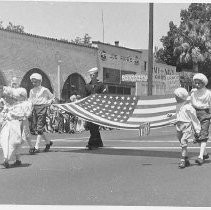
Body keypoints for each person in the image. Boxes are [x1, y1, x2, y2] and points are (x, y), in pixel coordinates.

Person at [0, 86, 33, 168]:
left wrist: (11, 114)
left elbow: (21, 116)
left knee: (13, 143)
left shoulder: (19, 106)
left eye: (6, 97)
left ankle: (8, 159)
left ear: (12, 97)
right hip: (6, 127)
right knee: (5, 142)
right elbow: (2, 115)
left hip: (15, 127)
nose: (5, 99)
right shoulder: (7, 106)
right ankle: (7, 158)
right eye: (4, 97)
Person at [170, 87, 201, 169]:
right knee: (182, 143)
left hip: (186, 126)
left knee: (183, 142)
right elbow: (179, 115)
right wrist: (173, 116)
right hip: (179, 126)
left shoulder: (188, 107)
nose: (175, 98)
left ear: (181, 97)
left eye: (176, 96)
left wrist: (197, 130)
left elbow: (194, 119)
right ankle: (186, 159)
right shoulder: (178, 106)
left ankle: (182, 160)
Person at [29, 73, 55, 153]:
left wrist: (48, 102)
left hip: (42, 108)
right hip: (35, 108)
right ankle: (48, 142)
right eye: (32, 82)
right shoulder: (31, 90)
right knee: (37, 128)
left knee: (39, 127)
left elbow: (52, 97)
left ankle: (36, 147)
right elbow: (30, 100)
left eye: (35, 82)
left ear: (40, 81)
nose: (34, 83)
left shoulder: (45, 90)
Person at [190, 73, 211, 165]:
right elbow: (191, 104)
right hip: (195, 114)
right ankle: (205, 153)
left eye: (199, 83)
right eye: (196, 83)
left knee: (203, 134)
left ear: (204, 83)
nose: (197, 85)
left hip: (205, 113)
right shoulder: (193, 93)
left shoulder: (208, 93)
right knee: (198, 134)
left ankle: (200, 156)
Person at [10, 77, 34, 154]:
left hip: (23, 117)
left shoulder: (23, 93)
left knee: (26, 134)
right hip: (15, 117)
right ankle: (15, 149)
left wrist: (25, 114)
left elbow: (28, 110)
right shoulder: (11, 94)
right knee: (14, 133)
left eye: (15, 83)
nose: (14, 84)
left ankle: (31, 147)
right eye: (13, 83)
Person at [85, 67, 107, 150]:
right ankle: (99, 142)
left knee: (95, 125)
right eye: (90, 75)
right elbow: (85, 97)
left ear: (97, 75)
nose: (91, 76)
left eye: (93, 75)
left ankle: (92, 143)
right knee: (92, 125)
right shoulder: (87, 86)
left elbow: (104, 96)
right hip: (90, 108)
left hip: (98, 108)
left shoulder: (101, 85)